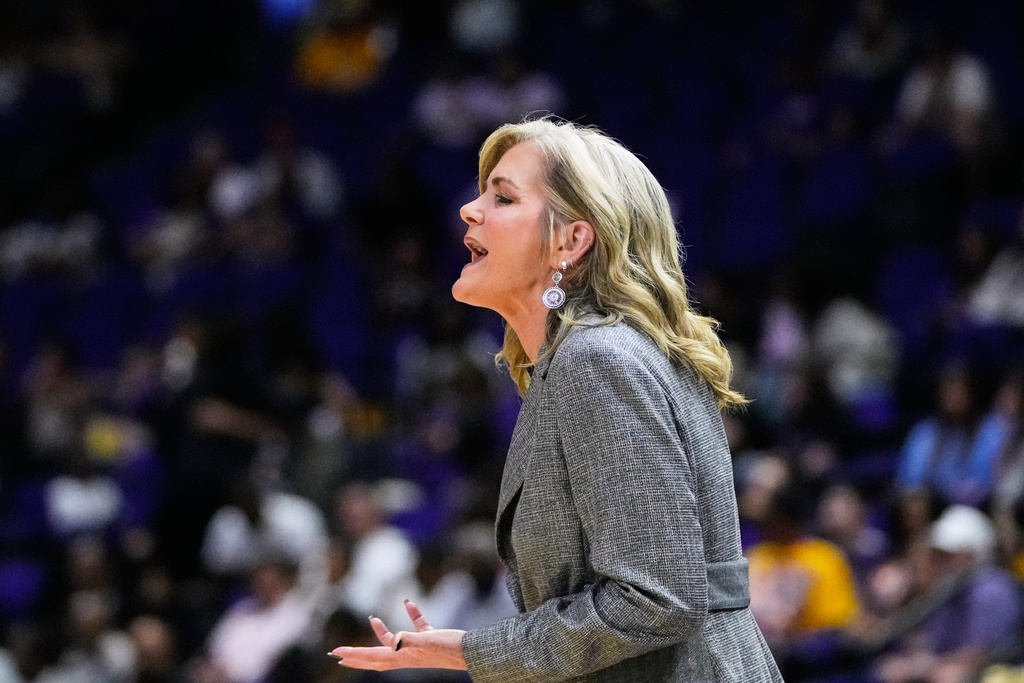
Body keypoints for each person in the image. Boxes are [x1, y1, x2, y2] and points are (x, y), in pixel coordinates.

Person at [329, 117, 783, 680]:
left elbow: (658, 598)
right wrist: (468, 649)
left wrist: (485, 650)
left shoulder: (597, 358)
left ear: (571, 241)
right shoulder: (587, 357)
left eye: (502, 197)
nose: (470, 211)